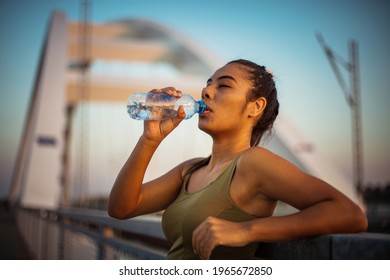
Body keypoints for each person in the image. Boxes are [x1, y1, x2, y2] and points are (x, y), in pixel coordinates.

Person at [108, 59, 367, 260]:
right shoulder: (191, 169)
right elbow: (121, 208)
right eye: (208, 84)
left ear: (255, 107)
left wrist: (247, 230)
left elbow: (351, 215)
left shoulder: (253, 163)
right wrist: (150, 139)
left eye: (224, 85)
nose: (207, 91)